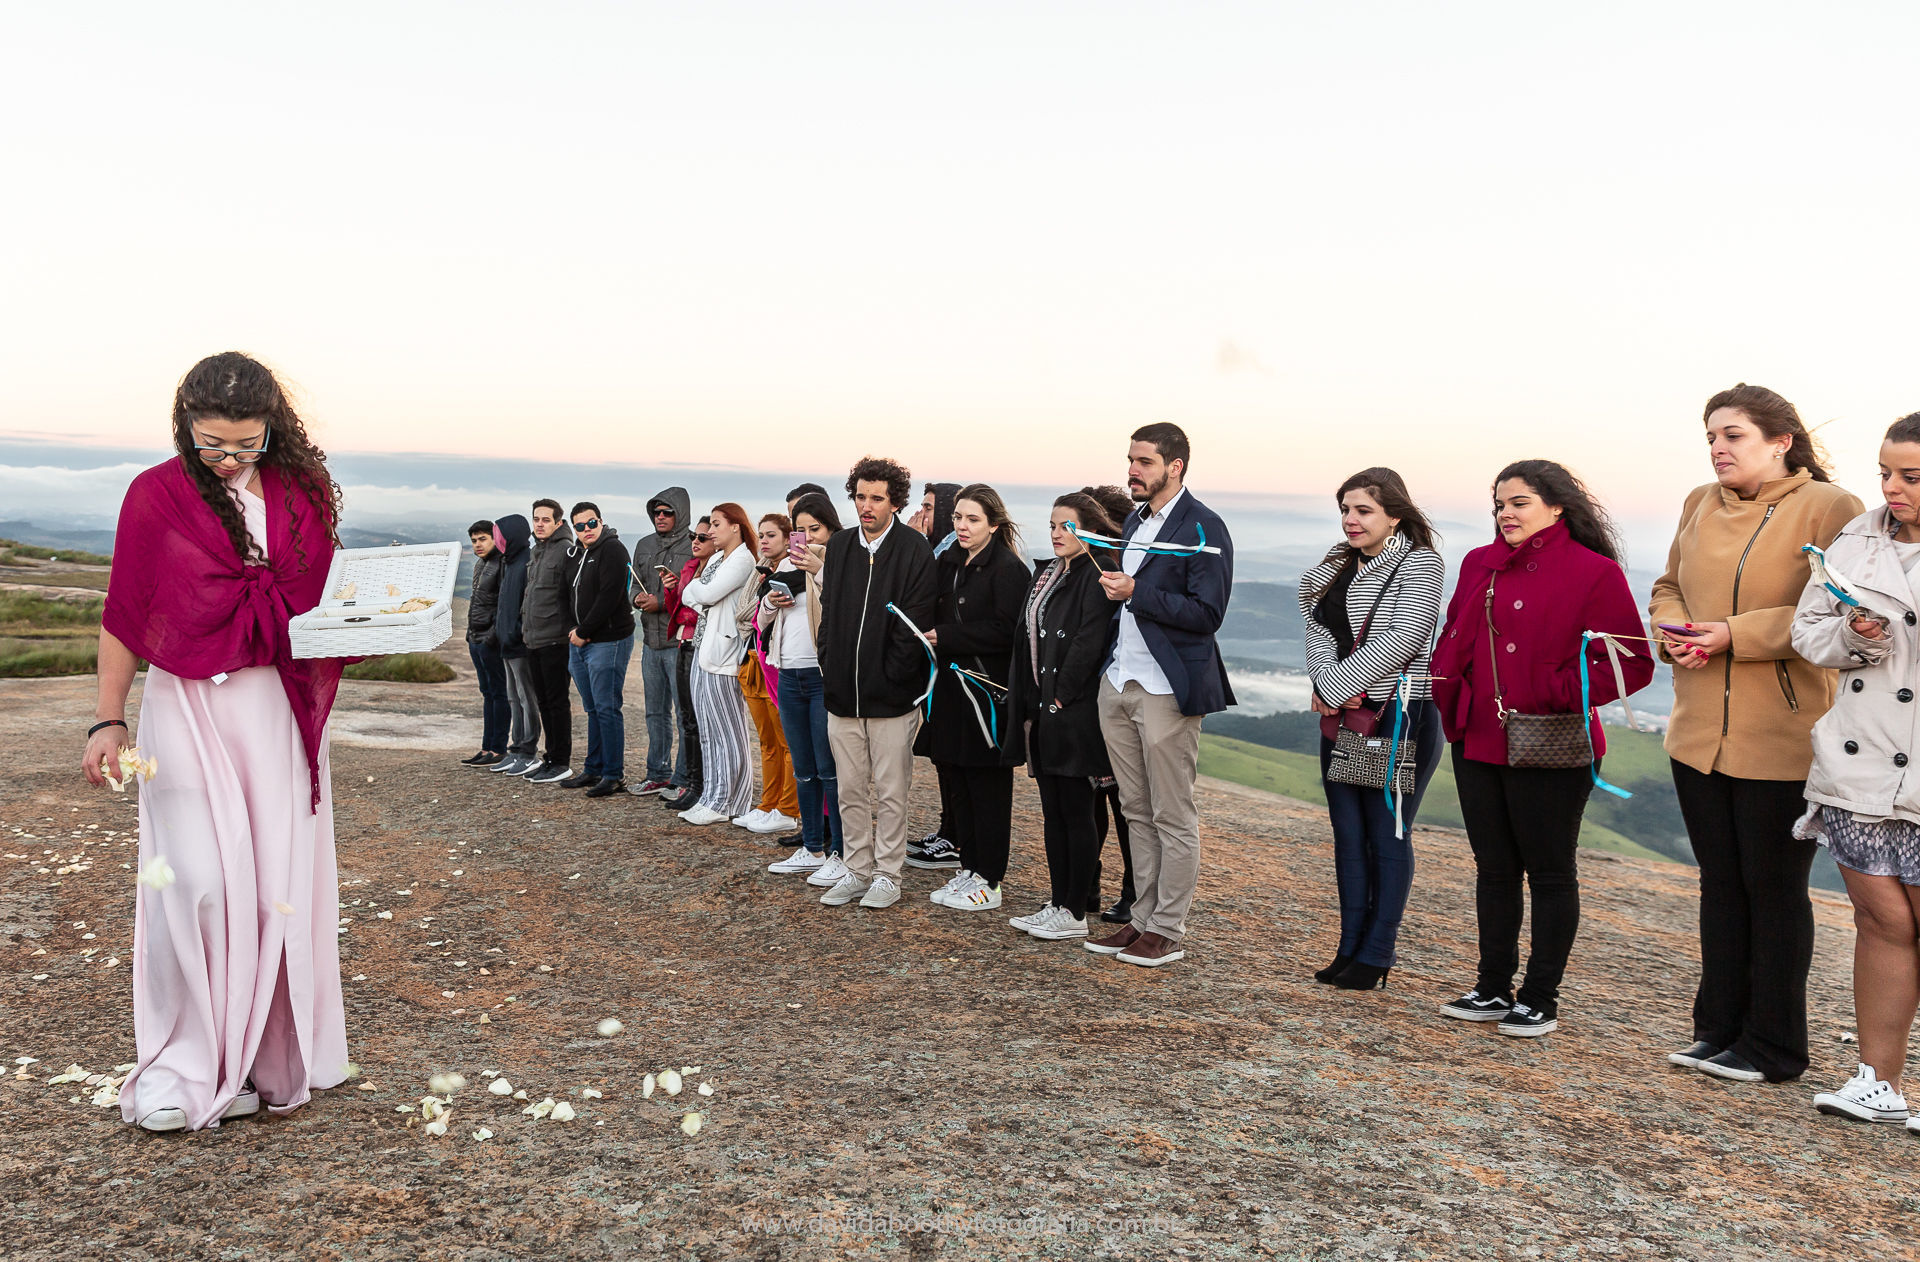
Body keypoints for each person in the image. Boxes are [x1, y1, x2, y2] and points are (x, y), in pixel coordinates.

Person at [85, 350, 348, 1131]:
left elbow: (326, 602)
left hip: (274, 711)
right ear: (185, 427)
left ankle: (262, 1064)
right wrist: (108, 716)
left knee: (274, 890)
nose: (229, 459)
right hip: (186, 706)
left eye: (245, 444)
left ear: (274, 428)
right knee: (194, 880)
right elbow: (126, 611)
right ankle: (188, 1064)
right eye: (213, 444)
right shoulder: (155, 496)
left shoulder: (301, 494)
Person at [1650, 384, 1861, 1084]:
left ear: (1781, 441)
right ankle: (1718, 1030)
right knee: (1720, 884)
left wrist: (1731, 635)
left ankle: (1773, 1046)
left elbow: (1829, 612)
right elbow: (1668, 585)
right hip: (1696, 729)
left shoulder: (1833, 509)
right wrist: (1675, 630)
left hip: (1784, 733)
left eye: (1733, 434)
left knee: (1772, 889)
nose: (1717, 447)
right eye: (1711, 434)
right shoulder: (1697, 502)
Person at [1430, 460, 1654, 1037]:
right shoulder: (1478, 562)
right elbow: (1456, 635)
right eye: (1499, 503)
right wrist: (1444, 688)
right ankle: (1491, 987)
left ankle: (1539, 997)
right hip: (1477, 736)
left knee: (1550, 873)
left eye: (1519, 502)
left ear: (1556, 507)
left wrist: (1548, 693)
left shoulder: (1594, 572)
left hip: (1553, 741)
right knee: (1495, 869)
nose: (1505, 513)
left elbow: (1633, 664)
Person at [1794, 410, 1920, 1131]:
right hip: (1862, 757)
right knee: (1880, 920)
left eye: (1911, 476)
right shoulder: (1857, 537)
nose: (1891, 487)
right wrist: (1855, 632)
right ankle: (1879, 1081)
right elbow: (1810, 634)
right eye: (1884, 472)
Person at [1084, 424, 1235, 969]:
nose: (1132, 471)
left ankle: (1168, 927)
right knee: (1135, 809)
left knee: (1172, 813)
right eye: (1131, 460)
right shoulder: (1134, 521)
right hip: (1120, 681)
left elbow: (1207, 613)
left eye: (1144, 462)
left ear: (1175, 466)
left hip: (1167, 688)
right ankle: (1141, 920)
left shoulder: (1204, 526)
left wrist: (1137, 592)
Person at [1298, 469, 1447, 990]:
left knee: (1386, 835)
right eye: (1345, 509)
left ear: (1395, 514)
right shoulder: (1338, 563)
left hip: (1398, 717)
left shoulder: (1420, 563)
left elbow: (1400, 640)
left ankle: (1376, 953)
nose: (1350, 520)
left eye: (1363, 510)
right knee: (1348, 837)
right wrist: (1325, 683)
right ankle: (1348, 949)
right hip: (1343, 717)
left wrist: (1331, 688)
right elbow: (1318, 624)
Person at [817, 456, 937, 910]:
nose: (866, 506)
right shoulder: (844, 545)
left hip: (892, 699)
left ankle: (888, 874)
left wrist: (890, 679)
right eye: (860, 496)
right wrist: (830, 661)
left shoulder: (914, 550)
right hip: (842, 695)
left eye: (876, 498)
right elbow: (830, 611)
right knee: (848, 788)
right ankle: (856, 868)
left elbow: (915, 625)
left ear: (895, 502)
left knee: (891, 791)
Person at [1009, 492, 1121, 941]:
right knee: (1053, 813)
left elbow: (1088, 645)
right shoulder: (1055, 573)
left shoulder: (1096, 574)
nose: (1057, 533)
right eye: (1053, 525)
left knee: (1075, 813)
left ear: (1089, 530)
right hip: (1046, 708)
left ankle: (1074, 910)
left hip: (1075, 713)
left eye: (1067, 526)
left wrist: (1058, 699)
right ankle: (1058, 901)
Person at [920, 485, 1032, 912]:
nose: (962, 527)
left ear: (994, 524)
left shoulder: (1008, 569)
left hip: (987, 694)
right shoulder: (949, 560)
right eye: (958, 518)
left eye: (973, 520)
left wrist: (947, 636)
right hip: (948, 689)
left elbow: (1008, 632)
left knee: (987, 787)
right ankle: (968, 868)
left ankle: (990, 880)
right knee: (958, 782)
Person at [764, 493, 847, 881]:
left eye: (816, 528)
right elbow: (755, 616)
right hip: (789, 670)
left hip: (820, 673)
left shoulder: (840, 561)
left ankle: (839, 852)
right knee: (804, 767)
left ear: (831, 528)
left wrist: (817, 569)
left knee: (829, 767)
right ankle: (811, 846)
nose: (808, 536)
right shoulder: (783, 565)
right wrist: (771, 601)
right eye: (800, 529)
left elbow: (848, 606)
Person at [678, 503, 760, 825]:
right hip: (704, 647)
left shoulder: (742, 560)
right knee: (709, 731)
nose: (709, 531)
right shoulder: (715, 559)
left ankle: (728, 800)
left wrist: (699, 591)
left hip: (724, 654)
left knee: (728, 732)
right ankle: (713, 796)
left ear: (736, 526)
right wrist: (699, 592)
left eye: (715, 524)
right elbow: (692, 596)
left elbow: (705, 594)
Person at [1082, 483, 1139, 922]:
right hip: (1089, 699)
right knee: (1093, 800)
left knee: (1127, 803)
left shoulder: (1124, 575)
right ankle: (1088, 886)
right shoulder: (1085, 571)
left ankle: (1135, 891)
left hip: (1119, 695)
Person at [905, 480, 967, 871]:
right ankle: (949, 829)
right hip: (934, 668)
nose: (923, 514)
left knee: (953, 757)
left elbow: (924, 590)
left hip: (953, 667)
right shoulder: (941, 548)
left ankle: (956, 837)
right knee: (944, 757)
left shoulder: (949, 551)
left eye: (929, 507)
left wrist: (913, 543)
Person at [732, 513, 801, 835]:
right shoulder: (763, 569)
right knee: (767, 740)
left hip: (775, 661)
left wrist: (758, 607)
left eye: (771, 535)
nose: (764, 541)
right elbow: (743, 614)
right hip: (753, 657)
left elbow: (750, 613)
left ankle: (788, 807)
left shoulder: (791, 570)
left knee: (786, 740)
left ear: (789, 538)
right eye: (761, 535)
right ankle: (768, 803)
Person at [562, 502, 635, 797]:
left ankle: (613, 774)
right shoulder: (579, 553)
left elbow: (610, 596)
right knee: (592, 708)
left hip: (608, 641)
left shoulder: (613, 550)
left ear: (601, 521)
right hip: (580, 642)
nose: (586, 530)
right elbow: (568, 594)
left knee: (607, 708)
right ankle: (593, 768)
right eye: (579, 527)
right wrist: (572, 629)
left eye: (591, 523)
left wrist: (583, 631)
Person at [628, 487, 694, 797]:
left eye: (668, 512)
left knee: (684, 715)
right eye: (657, 512)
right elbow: (632, 585)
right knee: (655, 712)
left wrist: (661, 603)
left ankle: (682, 778)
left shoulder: (695, 545)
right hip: (651, 644)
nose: (661, 517)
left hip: (678, 642)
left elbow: (696, 594)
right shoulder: (644, 545)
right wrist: (637, 598)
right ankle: (657, 774)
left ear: (680, 514)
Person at [658, 518, 713, 812]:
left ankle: (700, 786)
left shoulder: (716, 570)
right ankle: (691, 784)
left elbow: (697, 612)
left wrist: (685, 600)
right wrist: (670, 590)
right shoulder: (690, 568)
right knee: (687, 718)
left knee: (697, 720)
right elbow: (678, 611)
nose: (695, 541)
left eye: (703, 537)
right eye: (694, 535)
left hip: (701, 646)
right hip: (683, 643)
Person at [521, 499, 576, 784]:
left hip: (555, 639)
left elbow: (570, 594)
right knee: (543, 701)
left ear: (558, 522)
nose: (540, 524)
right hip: (533, 638)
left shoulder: (566, 550)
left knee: (556, 702)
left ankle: (561, 761)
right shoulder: (537, 551)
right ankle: (550, 757)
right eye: (536, 519)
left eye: (545, 519)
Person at [489, 513, 541, 776]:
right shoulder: (509, 562)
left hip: (519, 644)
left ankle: (528, 750)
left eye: (500, 535)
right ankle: (516, 748)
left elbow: (526, 606)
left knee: (525, 697)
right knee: (513, 697)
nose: (498, 540)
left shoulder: (526, 562)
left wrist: (517, 633)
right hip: (506, 643)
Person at [461, 519, 509, 768]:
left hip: (490, 640)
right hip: (476, 638)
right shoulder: (481, 564)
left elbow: (503, 605)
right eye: (474, 541)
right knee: (487, 693)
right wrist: (471, 635)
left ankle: (498, 748)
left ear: (495, 539)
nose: (478, 545)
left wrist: (492, 636)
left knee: (499, 693)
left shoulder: (502, 563)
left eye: (483, 539)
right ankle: (486, 747)